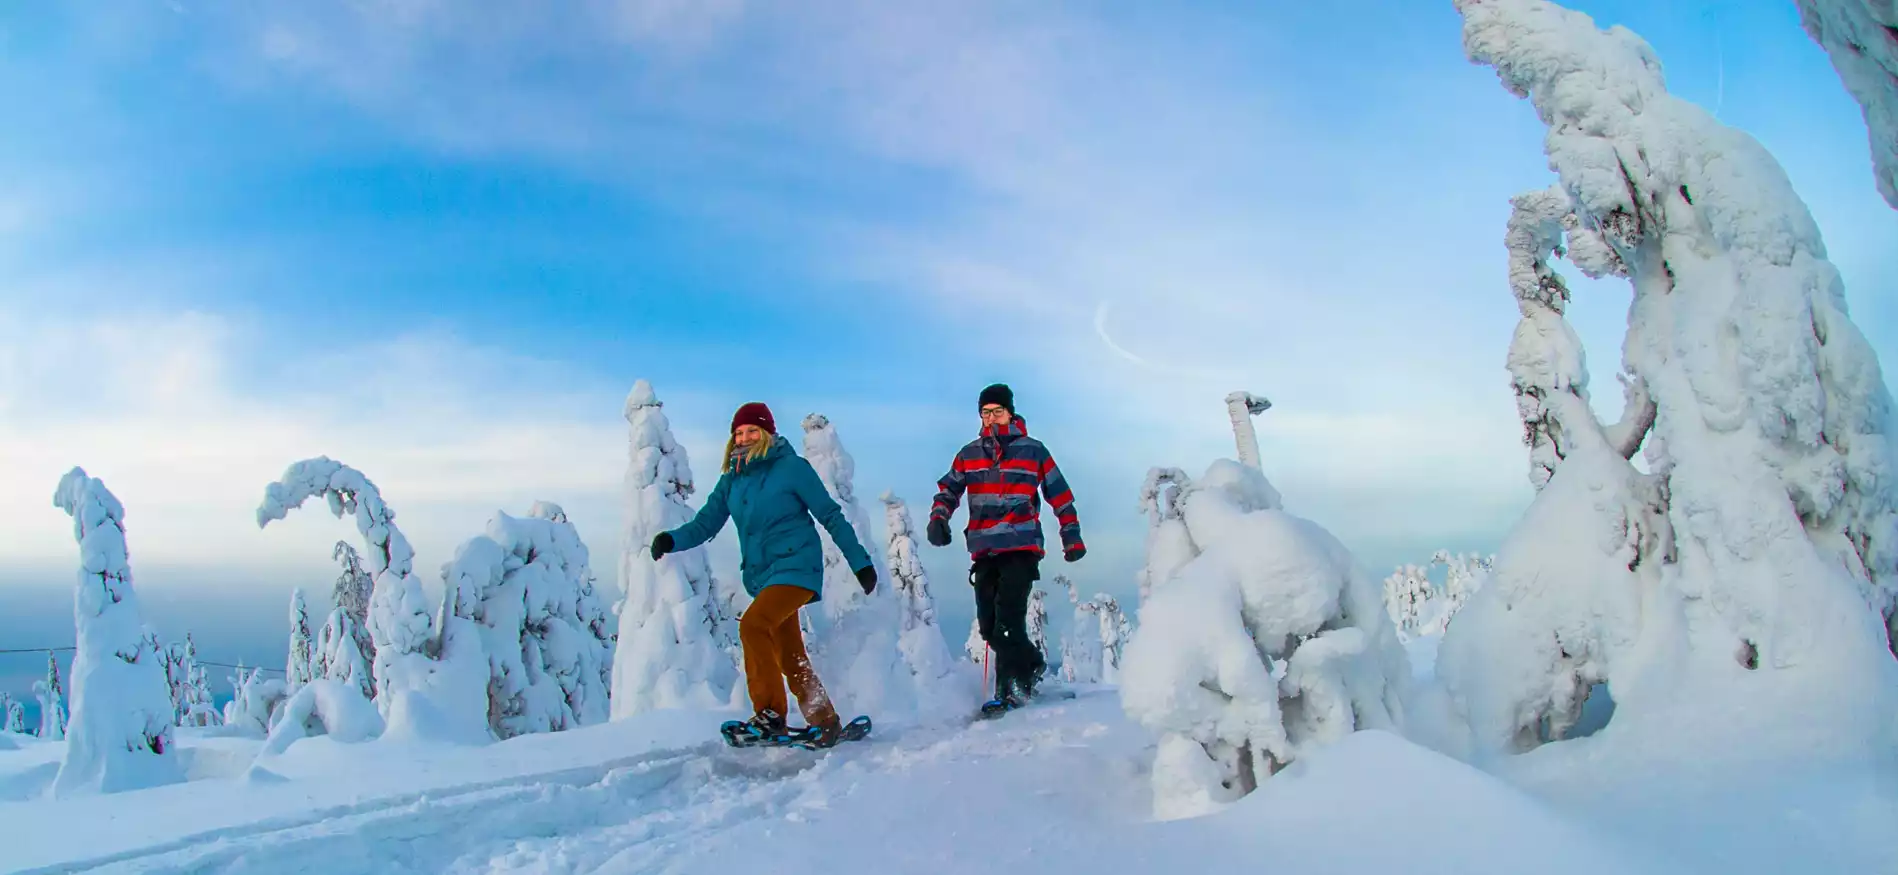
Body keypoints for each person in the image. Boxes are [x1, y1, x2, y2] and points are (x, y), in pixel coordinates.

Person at [649, 401, 878, 747]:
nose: (745, 437)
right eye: (739, 433)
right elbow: (705, 523)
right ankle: (825, 720)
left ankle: (770, 714)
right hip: (764, 576)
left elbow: (830, 514)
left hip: (797, 567)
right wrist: (671, 539)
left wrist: (860, 563)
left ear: (767, 433)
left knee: (753, 625)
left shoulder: (791, 469)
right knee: (789, 654)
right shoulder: (732, 480)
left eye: (752, 431)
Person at [926, 383, 1085, 711]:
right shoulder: (969, 454)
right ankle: (1032, 663)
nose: (991, 418)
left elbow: (1060, 493)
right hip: (984, 550)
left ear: (1010, 412)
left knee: (1008, 620)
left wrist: (1071, 537)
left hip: (1021, 545)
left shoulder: (1033, 450)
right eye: (985, 413)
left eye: (997, 411)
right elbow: (948, 490)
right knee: (988, 627)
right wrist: (938, 518)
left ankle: (1010, 689)